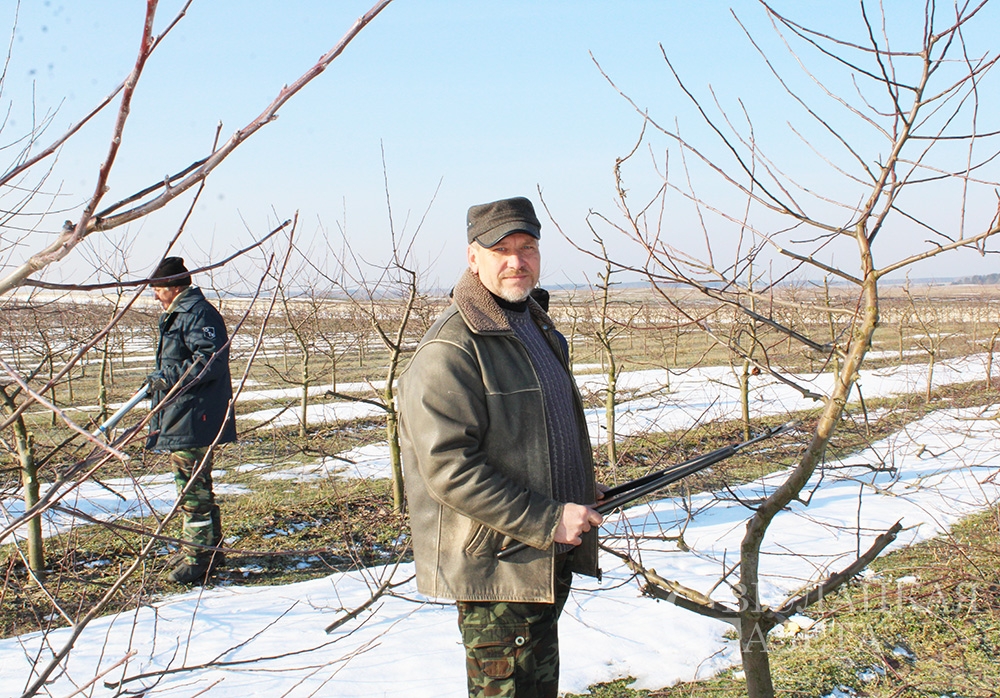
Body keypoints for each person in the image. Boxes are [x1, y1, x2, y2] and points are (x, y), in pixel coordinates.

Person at [398, 196, 603, 698]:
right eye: (501, 250)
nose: (517, 261)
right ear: (474, 258)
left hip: (541, 554)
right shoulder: (452, 347)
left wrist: (576, 488)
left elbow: (534, 432)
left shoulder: (534, 326)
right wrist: (546, 518)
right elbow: (449, 469)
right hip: (498, 561)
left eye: (527, 247)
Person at [146, 256, 236, 584]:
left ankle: (197, 559)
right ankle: (208, 550)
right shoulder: (181, 313)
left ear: (173, 287)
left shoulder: (197, 313)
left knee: (192, 491)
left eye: (157, 289)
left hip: (194, 415)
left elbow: (210, 360)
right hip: (183, 412)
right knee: (197, 486)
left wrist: (167, 378)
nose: (155, 296)